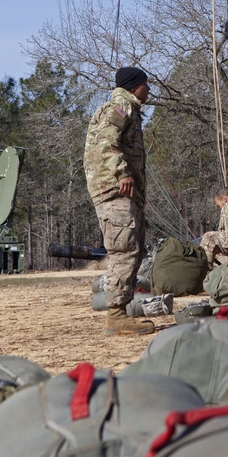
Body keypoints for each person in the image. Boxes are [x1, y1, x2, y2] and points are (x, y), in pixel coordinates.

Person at [83, 66, 154, 335]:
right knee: (124, 250)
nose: (148, 90)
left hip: (122, 192)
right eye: (145, 84)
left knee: (130, 248)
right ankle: (116, 316)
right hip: (115, 190)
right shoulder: (122, 105)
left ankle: (120, 312)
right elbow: (106, 142)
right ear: (134, 85)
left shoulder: (129, 109)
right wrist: (122, 173)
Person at [199, 188, 228, 268]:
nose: (220, 207)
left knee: (209, 237)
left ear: (224, 199)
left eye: (219, 205)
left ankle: (205, 270)